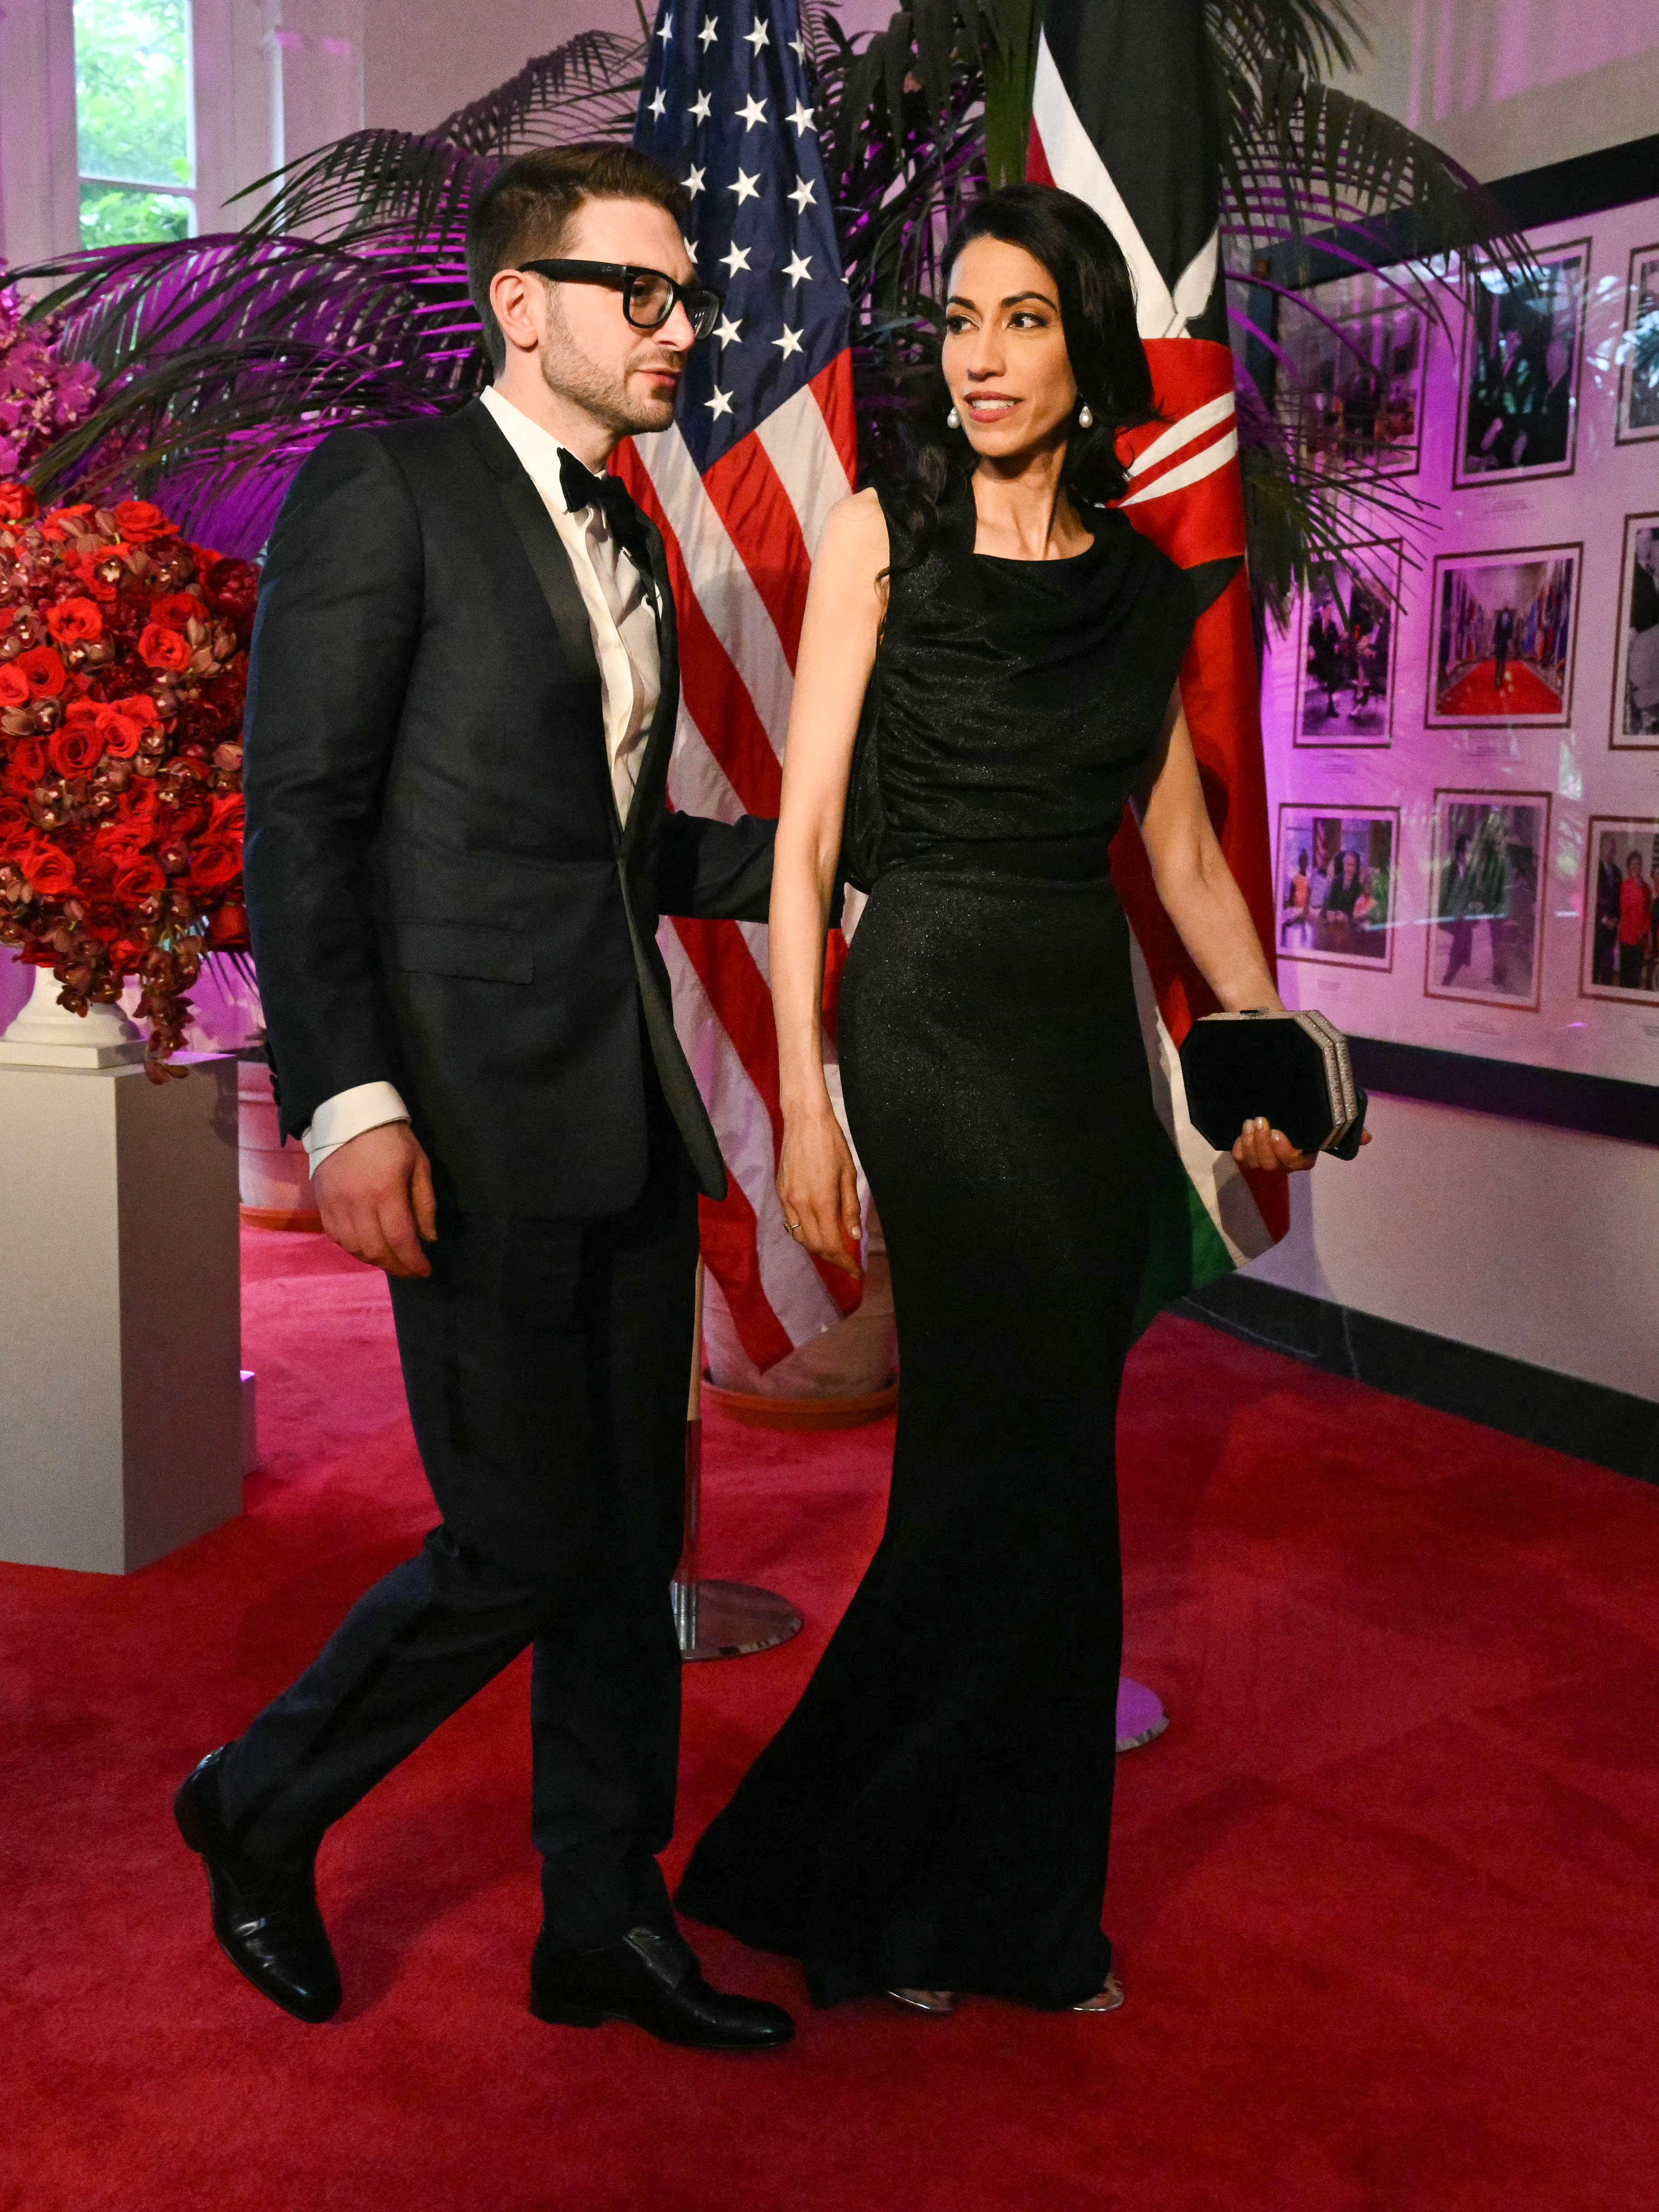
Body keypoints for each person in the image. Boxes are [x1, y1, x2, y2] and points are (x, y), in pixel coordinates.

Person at [677, 182, 1332, 2018]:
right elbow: (804, 838)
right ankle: (903, 1894)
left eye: (1017, 319)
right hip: (926, 1007)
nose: (974, 355)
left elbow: (1186, 860)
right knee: (1009, 1455)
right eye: (956, 320)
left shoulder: (1138, 590)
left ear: (1084, 352)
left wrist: (1264, 1046)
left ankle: (987, 1900)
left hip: (1069, 1019)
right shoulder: (887, 535)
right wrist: (804, 1094)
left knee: (1037, 1471)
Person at [172, 144, 794, 2054]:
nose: (687, 327)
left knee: (623, 1547)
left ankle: (602, 1920)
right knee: (521, 1538)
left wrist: (823, 853)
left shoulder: (629, 527)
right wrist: (350, 1104)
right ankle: (256, 1802)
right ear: (522, 303)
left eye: (690, 294)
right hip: (460, 1115)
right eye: (649, 293)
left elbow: (599, 856)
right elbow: (303, 822)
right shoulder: (392, 491)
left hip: (619, 1112)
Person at [1619, 849, 1653, 992]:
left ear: (1641, 866)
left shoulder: (1647, 888)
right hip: (1627, 938)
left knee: (1637, 975)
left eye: (1638, 864)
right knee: (1626, 976)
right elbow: (1624, 912)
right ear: (1628, 867)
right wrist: (1637, 931)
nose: (1635, 867)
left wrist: (1644, 930)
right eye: (1632, 864)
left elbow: (1648, 913)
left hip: (1641, 940)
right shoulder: (1625, 886)